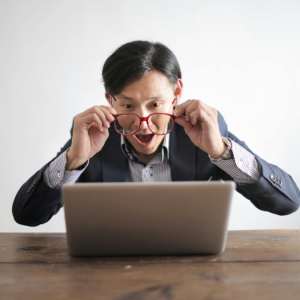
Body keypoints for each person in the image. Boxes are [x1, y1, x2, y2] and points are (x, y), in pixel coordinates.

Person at [12, 40, 300, 227]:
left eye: (155, 104)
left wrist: (221, 153)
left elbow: (288, 203)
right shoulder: (94, 137)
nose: (143, 122)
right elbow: (27, 216)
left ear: (176, 94)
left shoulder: (205, 131)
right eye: (127, 105)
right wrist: (74, 160)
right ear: (110, 100)